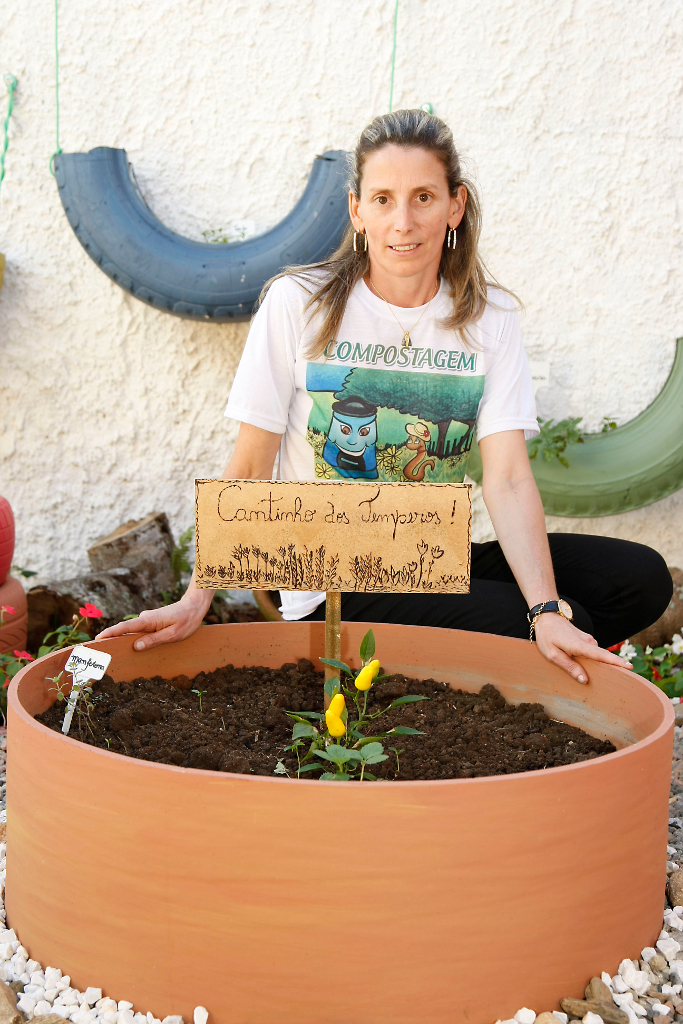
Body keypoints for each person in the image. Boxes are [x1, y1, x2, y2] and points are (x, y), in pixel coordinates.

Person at [97, 109, 672, 684]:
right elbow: (251, 464)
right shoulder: (297, 302)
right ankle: (491, 677)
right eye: (382, 199)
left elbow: (509, 478)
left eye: (423, 197)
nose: (403, 221)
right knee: (533, 621)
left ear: (455, 206)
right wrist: (199, 596)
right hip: (331, 577)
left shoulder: (488, 317)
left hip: (426, 560)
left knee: (639, 578)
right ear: (357, 211)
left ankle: (523, 648)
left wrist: (547, 609)